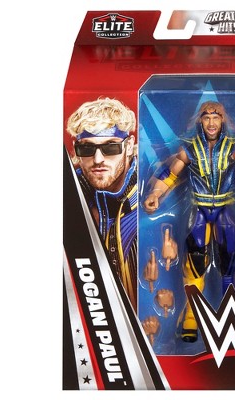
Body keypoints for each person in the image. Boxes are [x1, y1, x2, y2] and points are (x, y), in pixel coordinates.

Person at [143, 101, 235, 342]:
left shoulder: (234, 148)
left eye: (216, 117)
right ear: (200, 120)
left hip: (225, 209)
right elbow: (170, 174)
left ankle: (231, 316)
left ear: (223, 120)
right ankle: (191, 317)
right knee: (195, 264)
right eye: (207, 117)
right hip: (198, 210)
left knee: (229, 262)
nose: (211, 122)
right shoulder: (189, 149)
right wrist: (155, 194)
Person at [67, 97, 138, 310]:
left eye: (110, 147)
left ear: (129, 146)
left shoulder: (153, 193)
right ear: (76, 150)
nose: (98, 159)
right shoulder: (67, 196)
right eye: (87, 149)